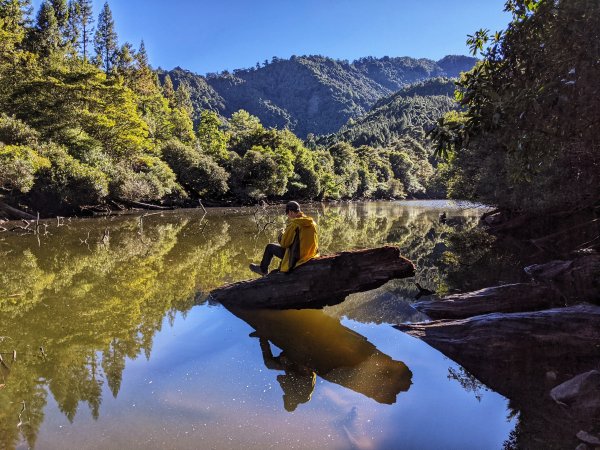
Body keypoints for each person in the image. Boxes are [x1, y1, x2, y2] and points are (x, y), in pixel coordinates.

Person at [249, 201, 318, 276]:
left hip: (297, 257)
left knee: (270, 247)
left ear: (291, 212)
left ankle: (263, 270)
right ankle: (279, 267)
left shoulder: (295, 224)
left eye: (288, 214)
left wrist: (281, 234)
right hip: (310, 254)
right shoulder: (312, 223)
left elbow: (284, 243)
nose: (288, 216)